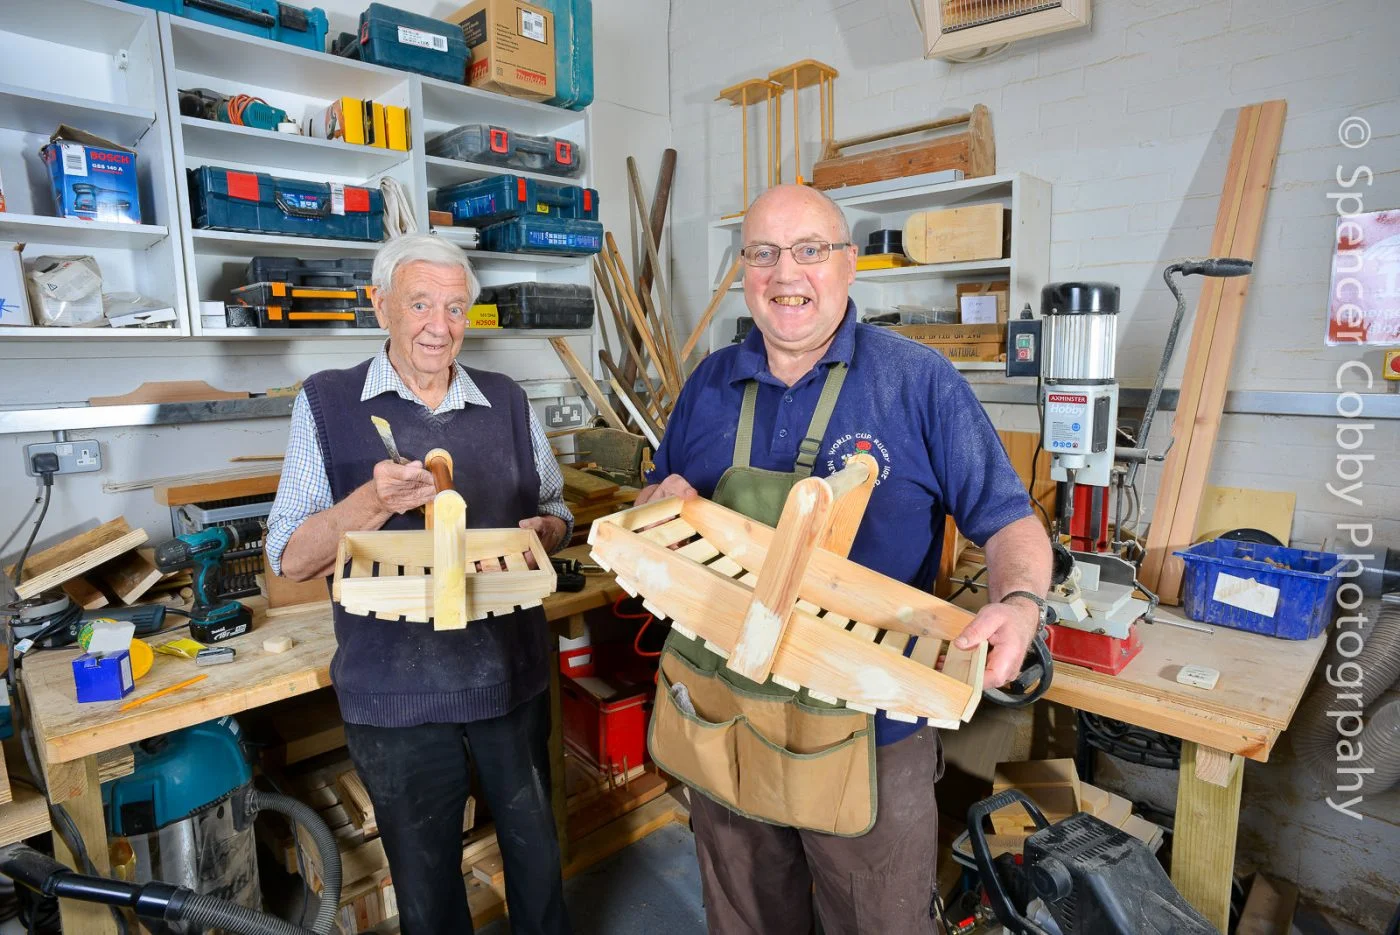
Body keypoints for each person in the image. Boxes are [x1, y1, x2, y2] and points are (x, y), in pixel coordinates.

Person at [639, 184, 1051, 934]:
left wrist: (1019, 603)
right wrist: (654, 509)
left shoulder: (917, 381)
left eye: (809, 251)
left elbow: (1010, 520)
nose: (785, 273)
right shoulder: (707, 384)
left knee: (878, 922)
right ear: (743, 271)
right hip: (727, 715)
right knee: (745, 918)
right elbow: (654, 505)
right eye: (763, 253)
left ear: (849, 265)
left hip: (869, 729)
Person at [265, 233, 572, 935]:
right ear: (382, 307)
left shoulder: (508, 400)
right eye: (421, 304)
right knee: (428, 892)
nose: (440, 326)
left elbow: (556, 509)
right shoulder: (327, 402)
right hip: (395, 694)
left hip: (509, 676)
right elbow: (290, 556)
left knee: (536, 860)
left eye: (457, 308)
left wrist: (546, 533)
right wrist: (370, 501)